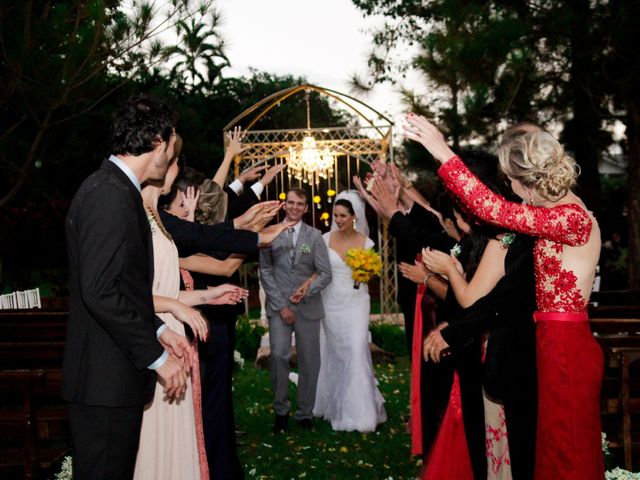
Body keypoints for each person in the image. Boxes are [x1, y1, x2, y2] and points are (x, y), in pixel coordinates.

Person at [405, 114, 604, 480]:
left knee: (568, 451)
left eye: (513, 183)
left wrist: (440, 149)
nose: (512, 193)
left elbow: (488, 208)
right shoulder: (552, 216)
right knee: (551, 451)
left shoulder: (570, 219)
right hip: (550, 342)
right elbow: (490, 219)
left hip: (566, 347)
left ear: (531, 183)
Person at [62, 95, 191, 480]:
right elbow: (100, 291)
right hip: (104, 384)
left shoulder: (118, 189)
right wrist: (157, 357)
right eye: (171, 144)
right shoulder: (109, 194)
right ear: (157, 141)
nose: (171, 156)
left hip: (111, 381)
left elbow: (123, 286)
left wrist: (159, 329)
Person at [135, 138, 248, 480]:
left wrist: (207, 297)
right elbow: (137, 293)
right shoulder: (160, 227)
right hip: (164, 331)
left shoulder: (165, 225)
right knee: (185, 417)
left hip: (191, 324)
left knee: (196, 417)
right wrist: (254, 234)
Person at [312, 192, 387, 432]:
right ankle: (336, 403)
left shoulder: (367, 243)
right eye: (336, 215)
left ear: (354, 217)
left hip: (356, 302)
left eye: (343, 216)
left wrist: (366, 272)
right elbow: (317, 270)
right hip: (331, 303)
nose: (339, 220)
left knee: (356, 349)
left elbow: (374, 273)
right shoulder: (324, 239)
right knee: (337, 353)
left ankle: (360, 414)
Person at [259, 188, 332, 433]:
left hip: (308, 308)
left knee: (309, 361)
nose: (294, 207)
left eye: (300, 204)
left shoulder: (314, 236)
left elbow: (325, 273)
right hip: (279, 308)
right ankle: (281, 411)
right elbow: (265, 271)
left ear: (306, 208)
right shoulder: (269, 234)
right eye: (290, 202)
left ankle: (304, 413)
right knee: (279, 355)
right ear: (284, 204)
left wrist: (306, 291)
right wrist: (281, 306)